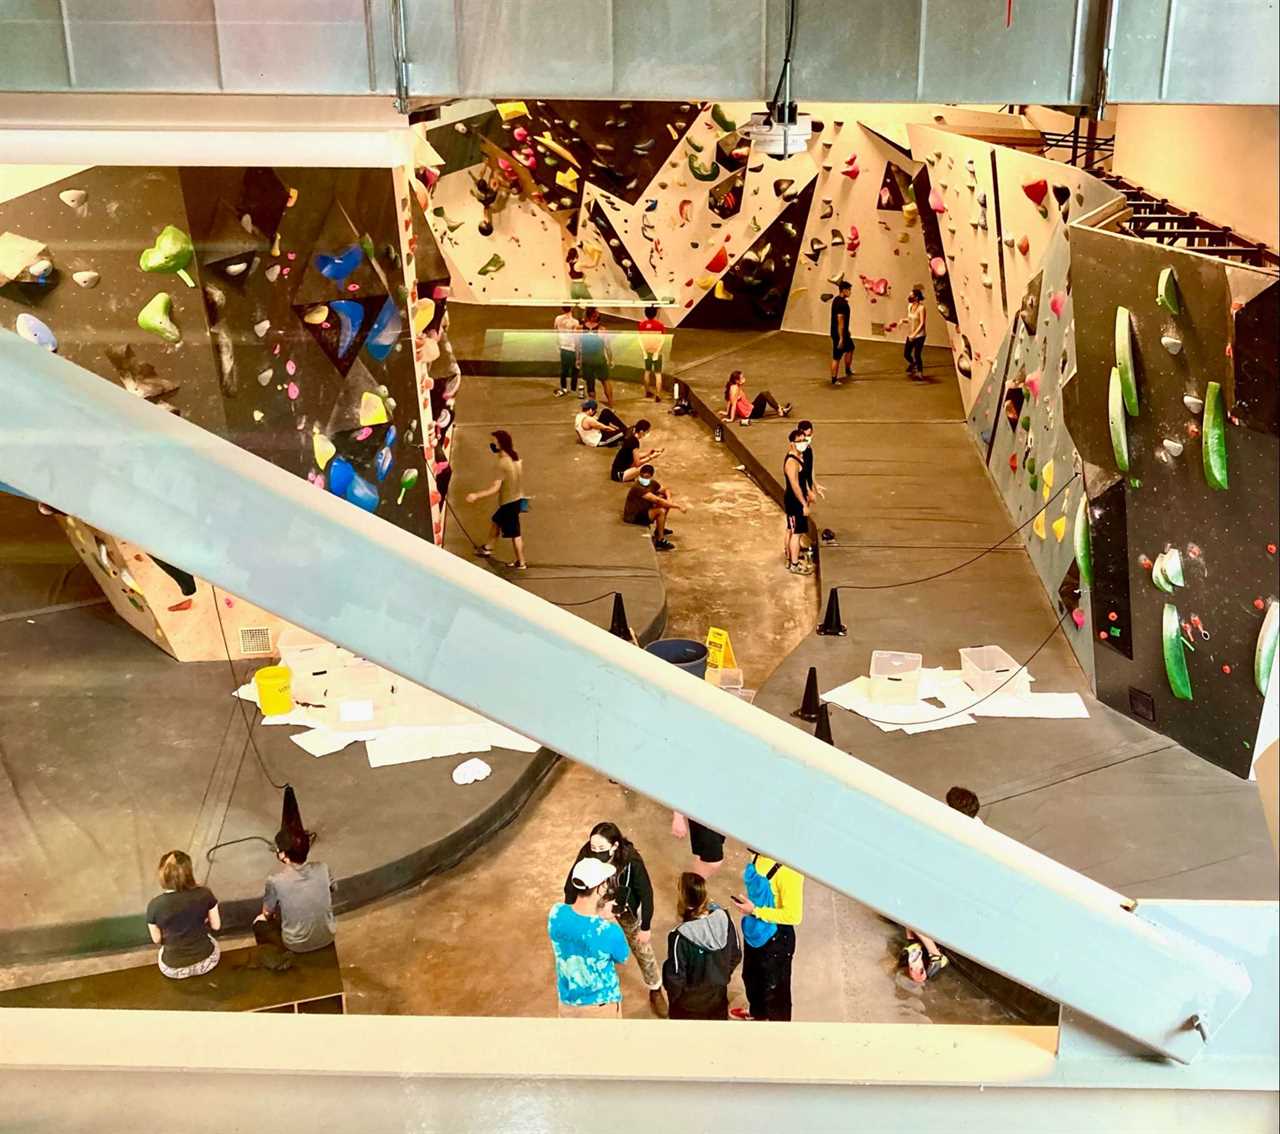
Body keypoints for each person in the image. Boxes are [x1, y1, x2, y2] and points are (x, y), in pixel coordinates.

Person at [564, 822, 667, 1018]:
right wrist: (572, 912)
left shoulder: (631, 861)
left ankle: (655, 987)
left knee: (642, 948)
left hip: (624, 906)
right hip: (596, 901)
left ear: (615, 846)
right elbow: (572, 883)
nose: (595, 853)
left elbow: (646, 894)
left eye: (601, 849)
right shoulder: (587, 853)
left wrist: (645, 927)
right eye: (593, 848)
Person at [901, 787, 982, 983]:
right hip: (963, 882)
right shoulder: (977, 825)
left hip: (949, 884)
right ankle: (914, 944)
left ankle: (934, 954)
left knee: (904, 903)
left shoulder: (951, 829)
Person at [548, 856, 630, 1017]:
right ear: (600, 888)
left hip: (567, 1002)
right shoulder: (608, 930)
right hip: (600, 1007)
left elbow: (578, 926)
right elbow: (624, 958)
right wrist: (610, 917)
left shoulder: (555, 912)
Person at [730, 850, 805, 1021]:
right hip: (755, 929)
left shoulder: (789, 871)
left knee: (776, 992)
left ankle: (776, 1033)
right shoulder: (758, 854)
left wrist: (755, 911)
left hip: (776, 940)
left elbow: (794, 915)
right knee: (751, 978)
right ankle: (758, 1014)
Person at [663, 872, 741, 1020]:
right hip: (718, 999)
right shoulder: (725, 920)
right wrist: (720, 976)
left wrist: (678, 999)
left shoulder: (679, 937)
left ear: (683, 900)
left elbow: (674, 978)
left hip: (687, 1007)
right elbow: (736, 955)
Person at [253, 829, 336, 964]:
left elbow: (267, 913)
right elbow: (333, 888)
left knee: (259, 923)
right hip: (328, 935)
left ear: (283, 855)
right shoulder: (323, 867)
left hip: (296, 944)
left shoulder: (275, 881)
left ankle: (279, 959)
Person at [146, 850, 221, 980]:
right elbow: (216, 926)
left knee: (162, 952)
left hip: (173, 970)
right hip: (207, 961)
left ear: (163, 875)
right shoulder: (205, 894)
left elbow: (156, 939)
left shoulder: (154, 905)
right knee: (212, 941)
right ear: (189, 873)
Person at [466, 430, 527, 569]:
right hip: (516, 499)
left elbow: (495, 489)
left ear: (500, 444)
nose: (492, 444)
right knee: (496, 521)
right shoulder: (516, 458)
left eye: (494, 442)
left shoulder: (502, 463)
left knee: (515, 534)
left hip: (508, 503)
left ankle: (521, 562)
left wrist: (476, 495)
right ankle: (488, 547)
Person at [622, 464, 686, 551]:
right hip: (633, 516)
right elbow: (657, 501)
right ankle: (660, 540)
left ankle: (659, 529)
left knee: (664, 499)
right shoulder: (638, 487)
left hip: (644, 510)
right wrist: (678, 506)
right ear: (640, 474)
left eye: (647, 477)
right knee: (661, 511)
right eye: (642, 476)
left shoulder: (652, 483)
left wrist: (669, 499)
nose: (644, 479)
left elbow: (665, 489)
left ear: (651, 476)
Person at [783, 429, 812, 575]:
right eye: (799, 441)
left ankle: (791, 558)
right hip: (794, 502)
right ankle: (794, 564)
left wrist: (810, 491)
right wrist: (803, 504)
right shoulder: (791, 462)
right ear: (792, 443)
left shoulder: (799, 457)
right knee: (795, 532)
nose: (803, 444)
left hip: (798, 500)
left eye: (804, 440)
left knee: (797, 531)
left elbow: (803, 480)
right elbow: (794, 485)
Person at [722, 370, 791, 426]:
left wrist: (727, 412)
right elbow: (733, 404)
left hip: (751, 407)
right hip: (751, 414)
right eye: (742, 378)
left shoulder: (734, 386)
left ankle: (781, 409)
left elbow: (729, 400)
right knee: (764, 394)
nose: (744, 379)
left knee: (765, 393)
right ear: (737, 380)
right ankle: (780, 411)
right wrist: (731, 419)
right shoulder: (735, 389)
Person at [579, 307, 613, 406]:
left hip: (587, 360)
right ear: (594, 316)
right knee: (605, 381)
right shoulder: (602, 330)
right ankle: (611, 403)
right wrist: (610, 359)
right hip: (599, 359)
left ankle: (593, 406)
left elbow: (578, 346)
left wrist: (578, 359)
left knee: (590, 383)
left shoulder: (579, 329)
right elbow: (607, 347)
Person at [636, 304, 666, 402]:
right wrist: (657, 352)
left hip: (647, 351)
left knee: (647, 371)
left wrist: (644, 351)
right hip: (656, 351)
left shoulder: (641, 325)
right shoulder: (660, 325)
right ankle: (658, 395)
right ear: (655, 313)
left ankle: (647, 391)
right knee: (658, 374)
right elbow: (662, 339)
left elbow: (640, 339)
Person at [829, 280, 854, 384]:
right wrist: (841, 338)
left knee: (851, 348)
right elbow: (840, 321)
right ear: (844, 290)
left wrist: (847, 331)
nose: (850, 292)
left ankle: (848, 370)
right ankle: (834, 379)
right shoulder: (841, 303)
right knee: (837, 357)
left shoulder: (836, 299)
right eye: (849, 290)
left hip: (842, 333)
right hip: (839, 334)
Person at [554, 305, 581, 397]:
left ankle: (564, 387)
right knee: (575, 370)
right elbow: (577, 338)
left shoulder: (558, 319)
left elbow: (556, 331)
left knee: (564, 370)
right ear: (572, 308)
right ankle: (573, 388)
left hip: (563, 346)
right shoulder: (575, 322)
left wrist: (558, 344)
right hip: (572, 347)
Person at [904, 284, 927, 380]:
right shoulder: (909, 306)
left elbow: (922, 323)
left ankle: (920, 372)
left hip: (920, 336)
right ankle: (913, 364)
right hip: (910, 335)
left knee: (917, 354)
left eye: (911, 295)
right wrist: (903, 320)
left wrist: (914, 334)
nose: (909, 297)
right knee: (906, 354)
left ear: (916, 297)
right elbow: (910, 319)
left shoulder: (922, 308)